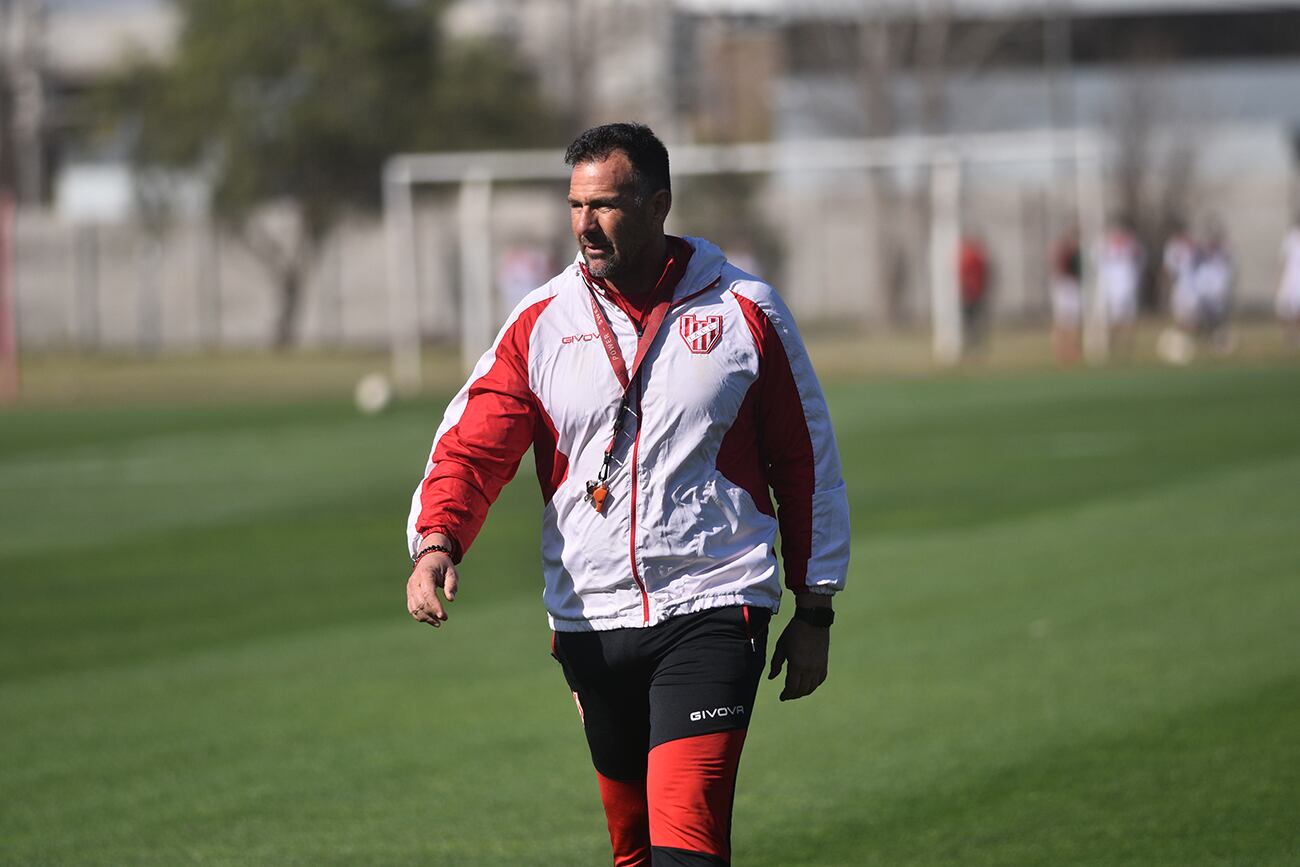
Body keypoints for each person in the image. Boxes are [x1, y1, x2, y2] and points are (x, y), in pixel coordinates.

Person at [404, 123, 851, 867]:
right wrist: (436, 540)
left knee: (687, 847)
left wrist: (816, 605)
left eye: (606, 204)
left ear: (657, 206)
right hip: (590, 620)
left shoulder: (745, 311)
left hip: (713, 603)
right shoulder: (541, 323)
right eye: (575, 204)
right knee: (635, 851)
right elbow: (473, 445)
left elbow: (804, 461)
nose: (585, 223)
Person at [1050, 225, 1083, 366]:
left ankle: (1071, 351)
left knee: (1072, 321)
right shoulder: (1064, 252)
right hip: (1065, 285)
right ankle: (1061, 351)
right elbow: (1058, 269)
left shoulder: (1078, 252)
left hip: (1073, 286)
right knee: (1063, 320)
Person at [957, 233, 991, 353]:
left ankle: (973, 344)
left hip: (970, 293)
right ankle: (975, 344)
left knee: (971, 321)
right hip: (975, 293)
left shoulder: (968, 257)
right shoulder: (976, 256)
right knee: (973, 321)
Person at [1276, 218, 1300, 348]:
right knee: (1283, 307)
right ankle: (1288, 335)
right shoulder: (1291, 237)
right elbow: (1284, 259)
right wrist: (1279, 279)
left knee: (1297, 309)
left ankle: (1296, 335)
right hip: (1289, 277)